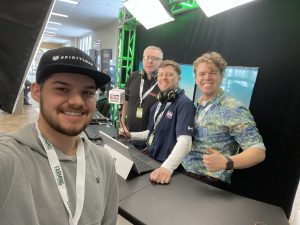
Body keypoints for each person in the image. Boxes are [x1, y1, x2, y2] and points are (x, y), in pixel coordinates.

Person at [0, 47, 118, 225]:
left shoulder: (104, 161)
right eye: (62, 89)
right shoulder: (9, 160)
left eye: (87, 92)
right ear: (37, 92)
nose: (77, 101)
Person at [181, 51, 266, 189]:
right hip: (184, 173)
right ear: (196, 78)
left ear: (221, 77)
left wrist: (227, 162)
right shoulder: (197, 105)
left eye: (213, 72)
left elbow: (258, 151)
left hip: (210, 182)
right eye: (202, 74)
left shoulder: (234, 109)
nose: (207, 77)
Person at [121, 60, 195, 184]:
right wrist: (131, 135)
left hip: (166, 167)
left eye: (169, 74)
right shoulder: (157, 104)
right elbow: (151, 133)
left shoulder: (185, 104)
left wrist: (167, 168)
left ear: (179, 78)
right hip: (152, 161)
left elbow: (185, 142)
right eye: (160, 75)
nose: (163, 78)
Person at [120, 46, 163, 149]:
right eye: (147, 57)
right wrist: (122, 123)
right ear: (143, 59)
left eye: (155, 58)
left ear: (161, 62)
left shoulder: (163, 83)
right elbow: (125, 100)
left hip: (149, 141)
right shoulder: (133, 76)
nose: (150, 61)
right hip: (128, 134)